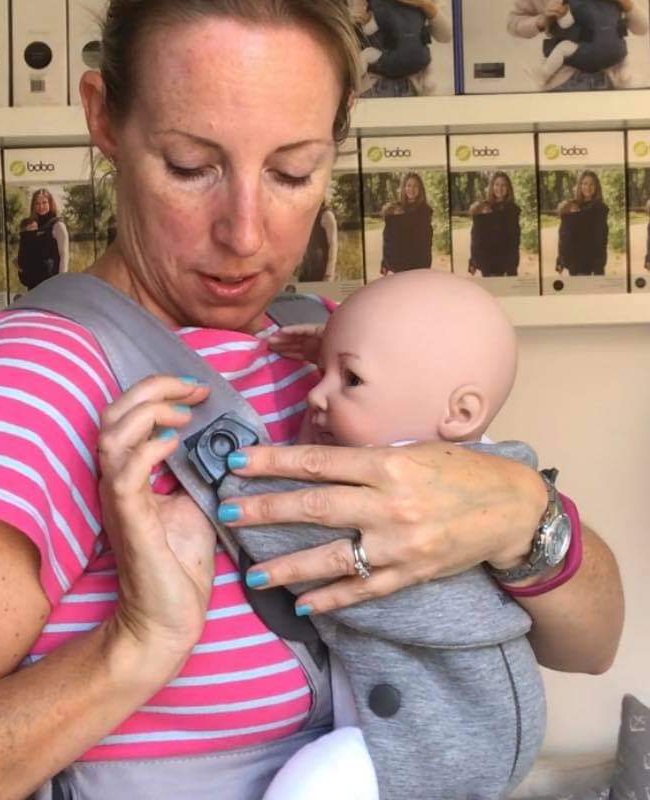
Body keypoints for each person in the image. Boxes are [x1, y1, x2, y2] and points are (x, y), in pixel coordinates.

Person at [0, 3, 624, 800]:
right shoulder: (27, 388)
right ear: (104, 118)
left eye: (292, 172)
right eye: (191, 165)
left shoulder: (327, 342)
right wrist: (132, 649)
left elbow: (590, 644)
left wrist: (524, 516)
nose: (246, 235)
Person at [231, 269, 547, 799]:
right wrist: (347, 362)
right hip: (497, 723)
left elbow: (283, 525)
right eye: (321, 371)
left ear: (460, 413)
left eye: (350, 380)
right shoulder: (492, 469)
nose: (315, 394)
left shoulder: (387, 499)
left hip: (427, 739)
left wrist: (218, 480)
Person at [507, 0, 648, 91]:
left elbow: (643, 28)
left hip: (612, 81)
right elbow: (513, 24)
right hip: (562, 83)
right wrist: (542, 21)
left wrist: (628, 5)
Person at [354, 0, 452, 96]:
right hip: (372, 84)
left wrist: (426, 5)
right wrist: (361, 20)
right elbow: (352, 34)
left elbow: (446, 36)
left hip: (416, 84)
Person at [469, 171, 521, 278]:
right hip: (488, 263)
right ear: (492, 187)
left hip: (507, 264)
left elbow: (515, 240)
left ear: (508, 188)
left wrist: (511, 266)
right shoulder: (484, 207)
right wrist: (473, 261)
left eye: (503, 185)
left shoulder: (513, 210)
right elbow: (476, 237)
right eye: (496, 184)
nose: (500, 188)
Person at [556, 170, 609, 276]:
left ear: (596, 187)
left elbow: (601, 238)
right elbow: (563, 235)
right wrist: (559, 260)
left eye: (592, 184)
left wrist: (599, 266)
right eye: (584, 183)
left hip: (590, 263)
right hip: (574, 262)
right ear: (580, 185)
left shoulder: (600, 208)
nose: (588, 187)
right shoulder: (572, 205)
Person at [16, 188, 70, 290]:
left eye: (44, 202)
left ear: (50, 203)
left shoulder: (58, 225)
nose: (41, 206)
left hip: (51, 284)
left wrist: (61, 282)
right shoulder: (32, 225)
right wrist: (20, 266)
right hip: (33, 284)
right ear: (33, 205)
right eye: (37, 203)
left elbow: (64, 255)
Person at [381, 172, 433, 274]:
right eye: (408, 185)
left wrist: (425, 266)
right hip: (395, 266)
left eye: (415, 186)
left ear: (420, 189)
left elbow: (425, 242)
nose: (411, 189)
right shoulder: (394, 209)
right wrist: (384, 263)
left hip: (417, 265)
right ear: (404, 188)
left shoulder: (425, 211)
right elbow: (387, 238)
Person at [298, 200, 339, 282]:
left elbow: (333, 245)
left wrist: (329, 274)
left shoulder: (327, 215)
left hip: (322, 270)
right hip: (307, 270)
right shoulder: (307, 215)